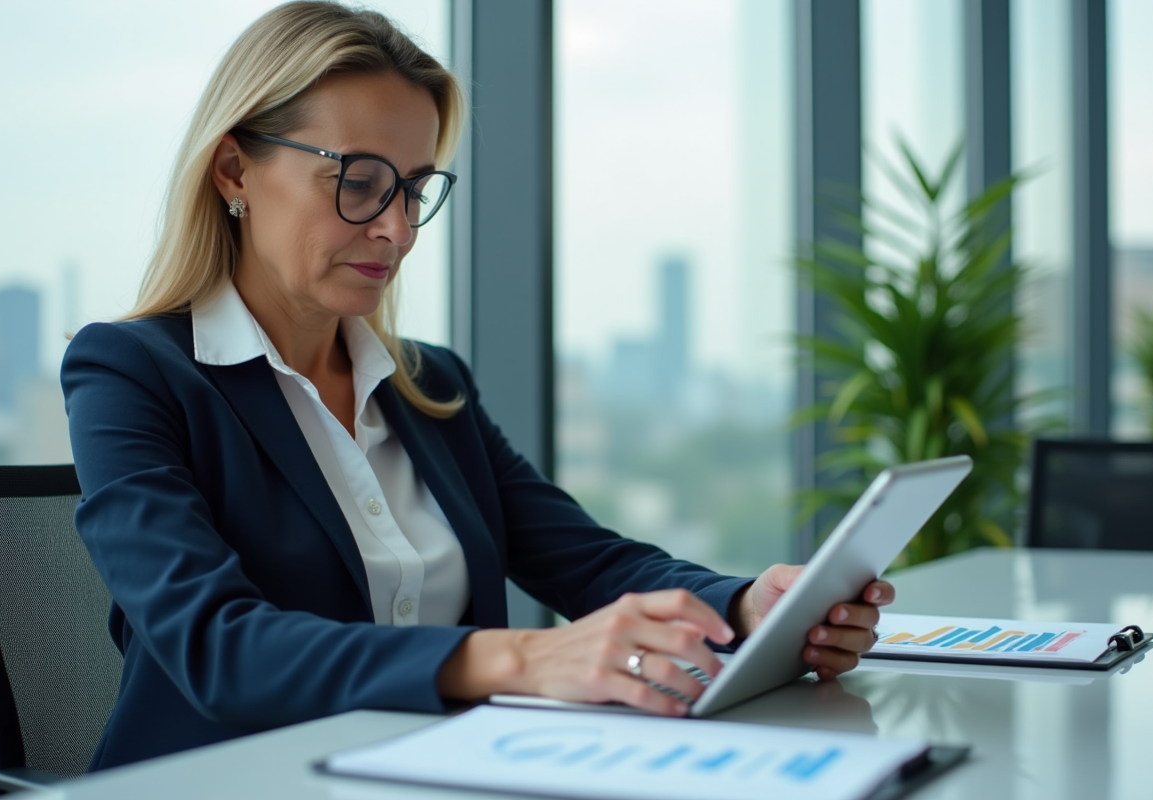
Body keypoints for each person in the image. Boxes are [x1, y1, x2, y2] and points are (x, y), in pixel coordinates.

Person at [61, 1, 892, 771]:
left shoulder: (427, 384)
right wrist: (527, 659)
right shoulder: (131, 374)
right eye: (357, 180)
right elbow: (217, 645)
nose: (394, 228)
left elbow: (588, 562)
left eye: (414, 189)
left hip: (440, 773)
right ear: (235, 170)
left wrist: (749, 609)